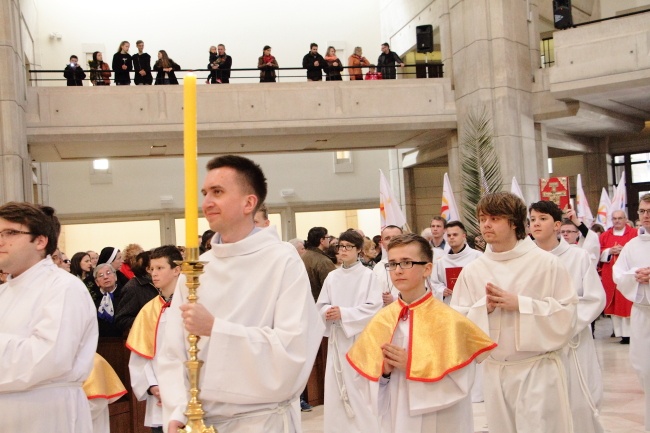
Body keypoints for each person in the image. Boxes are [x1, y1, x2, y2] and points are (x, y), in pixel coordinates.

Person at [158, 155, 324, 433]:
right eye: (205, 193)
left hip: (263, 420)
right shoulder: (197, 269)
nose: (207, 202)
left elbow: (293, 348)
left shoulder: (281, 260)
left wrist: (216, 329)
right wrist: (177, 409)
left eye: (218, 192)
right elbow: (173, 351)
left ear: (249, 203)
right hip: (201, 421)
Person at [450, 192, 578, 433]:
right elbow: (456, 321)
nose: (486, 224)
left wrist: (521, 304)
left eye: (495, 218)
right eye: (482, 218)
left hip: (536, 369)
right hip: (495, 370)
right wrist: (483, 309)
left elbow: (567, 314)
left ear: (515, 223)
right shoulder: (473, 270)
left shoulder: (546, 263)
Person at [347, 233, 496, 433]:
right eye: (392, 264)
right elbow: (365, 387)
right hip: (397, 417)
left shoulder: (449, 320)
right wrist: (384, 372)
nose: (398, 270)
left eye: (406, 262)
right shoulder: (382, 319)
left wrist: (412, 363)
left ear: (427, 268)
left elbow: (462, 381)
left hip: (442, 419)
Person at [0, 202, 98, 432]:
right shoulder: (4, 292)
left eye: (11, 232)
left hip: (48, 411)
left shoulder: (63, 287)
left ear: (41, 241)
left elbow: (49, 358)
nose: (1, 240)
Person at [529, 200, 606, 433]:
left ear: (557, 225)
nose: (536, 224)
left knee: (578, 401)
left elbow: (594, 298)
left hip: (572, 340)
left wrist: (562, 322)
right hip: (537, 341)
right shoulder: (524, 259)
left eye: (542, 219)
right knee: (542, 404)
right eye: (532, 219)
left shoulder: (578, 257)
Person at [316, 230, 383, 433]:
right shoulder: (332, 277)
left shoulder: (368, 276)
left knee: (359, 388)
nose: (343, 250)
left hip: (359, 338)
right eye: (340, 246)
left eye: (348, 247)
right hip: (338, 339)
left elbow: (374, 307)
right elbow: (321, 305)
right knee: (336, 387)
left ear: (359, 250)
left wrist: (344, 313)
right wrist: (328, 311)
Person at [127, 245, 183, 433]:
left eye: (160, 268)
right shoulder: (148, 311)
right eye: (152, 269)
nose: (154, 274)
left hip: (191, 398)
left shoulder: (193, 306)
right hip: (160, 399)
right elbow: (140, 357)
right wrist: (153, 386)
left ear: (177, 270)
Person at [614, 194, 650, 431]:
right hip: (642, 313)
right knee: (645, 370)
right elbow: (619, 273)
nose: (646, 216)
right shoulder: (633, 245)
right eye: (643, 212)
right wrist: (635, 276)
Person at [600, 209, 637, 344]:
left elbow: (637, 251)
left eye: (620, 218)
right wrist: (609, 251)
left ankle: (631, 334)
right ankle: (620, 333)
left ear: (625, 219)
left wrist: (625, 251)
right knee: (615, 304)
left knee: (627, 302)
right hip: (610, 275)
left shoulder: (634, 233)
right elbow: (598, 252)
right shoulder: (605, 235)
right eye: (614, 218)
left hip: (628, 274)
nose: (617, 221)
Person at [114, 250, 158, 334]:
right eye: (158, 267)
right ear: (148, 269)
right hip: (143, 338)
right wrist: (149, 321)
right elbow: (122, 320)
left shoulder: (158, 283)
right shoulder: (133, 288)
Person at [90, 263, 125, 337]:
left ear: (115, 277)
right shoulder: (92, 298)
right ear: (97, 282)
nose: (105, 277)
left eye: (108, 273)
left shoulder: (124, 294)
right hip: (99, 340)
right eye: (101, 275)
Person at [372, 225, 403, 306]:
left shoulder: (413, 263)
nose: (391, 241)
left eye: (395, 237)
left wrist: (395, 299)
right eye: (387, 238)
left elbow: (420, 293)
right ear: (382, 243)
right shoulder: (378, 267)